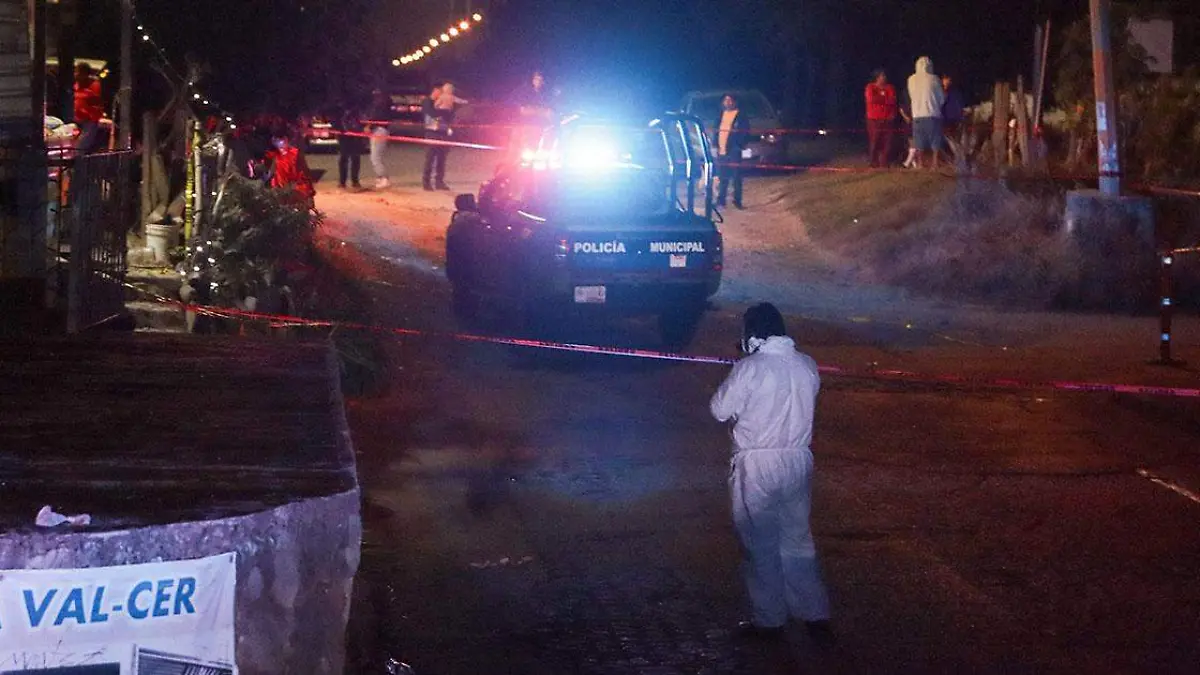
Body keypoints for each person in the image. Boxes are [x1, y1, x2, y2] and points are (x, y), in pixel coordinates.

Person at [710, 303, 833, 643]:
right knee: (797, 538)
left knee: (760, 543)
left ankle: (770, 620)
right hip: (797, 460)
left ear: (752, 334)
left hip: (757, 464)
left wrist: (741, 368)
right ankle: (814, 613)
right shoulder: (807, 365)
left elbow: (719, 410)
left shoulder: (751, 368)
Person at [422, 82, 468, 191]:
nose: (444, 93)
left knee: (442, 159)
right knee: (430, 158)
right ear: (436, 90)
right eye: (441, 91)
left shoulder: (448, 100)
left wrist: (450, 110)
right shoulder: (428, 102)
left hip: (443, 132)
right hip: (432, 132)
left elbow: (451, 114)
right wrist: (445, 111)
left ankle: (439, 182)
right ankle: (426, 182)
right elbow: (433, 113)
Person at [906, 56, 946, 169]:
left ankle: (920, 164)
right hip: (933, 113)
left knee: (919, 141)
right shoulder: (935, 79)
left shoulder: (911, 79)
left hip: (917, 115)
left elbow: (911, 95)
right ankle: (935, 164)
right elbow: (942, 99)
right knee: (935, 141)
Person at [712, 93, 751, 209]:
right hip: (721, 149)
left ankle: (737, 201)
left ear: (734, 102)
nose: (728, 102)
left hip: (734, 150)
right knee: (722, 176)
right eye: (725, 100)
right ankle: (721, 201)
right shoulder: (720, 115)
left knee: (736, 176)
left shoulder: (740, 115)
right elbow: (715, 130)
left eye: (730, 100)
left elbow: (746, 131)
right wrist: (715, 144)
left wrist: (739, 145)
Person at [265, 132, 316, 208]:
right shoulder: (273, 155)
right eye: (276, 140)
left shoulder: (295, 154)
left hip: (295, 188)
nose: (279, 143)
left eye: (282, 139)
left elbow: (305, 172)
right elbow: (270, 173)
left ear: (287, 140)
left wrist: (309, 192)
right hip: (280, 189)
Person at [864, 69, 897, 168]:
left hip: (888, 119)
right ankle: (873, 162)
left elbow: (892, 100)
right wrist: (884, 99)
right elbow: (871, 99)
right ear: (877, 77)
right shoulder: (870, 87)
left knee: (887, 142)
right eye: (882, 75)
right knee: (874, 141)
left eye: (885, 75)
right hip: (874, 119)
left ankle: (884, 162)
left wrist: (879, 99)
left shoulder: (890, 87)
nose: (884, 77)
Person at [73, 63, 105, 155]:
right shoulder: (76, 85)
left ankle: (77, 163)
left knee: (81, 146)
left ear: (85, 74)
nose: (76, 74)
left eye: (78, 72)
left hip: (89, 120)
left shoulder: (94, 86)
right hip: (76, 119)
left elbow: (97, 104)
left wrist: (88, 113)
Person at [334, 103, 365, 190]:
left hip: (353, 135)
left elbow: (360, 121)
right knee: (345, 158)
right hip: (344, 134)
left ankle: (353, 181)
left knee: (354, 158)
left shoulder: (355, 109)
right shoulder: (339, 109)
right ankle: (343, 182)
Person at [366, 88, 391, 189]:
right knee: (376, 156)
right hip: (380, 130)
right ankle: (381, 178)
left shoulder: (379, 105)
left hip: (379, 130)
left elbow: (375, 117)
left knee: (375, 157)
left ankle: (383, 178)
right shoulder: (384, 104)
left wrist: (368, 126)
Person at [940, 74, 966, 152]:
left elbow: (959, 105)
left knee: (955, 140)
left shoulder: (955, 93)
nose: (946, 81)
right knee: (949, 139)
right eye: (945, 79)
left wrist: (960, 116)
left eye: (948, 79)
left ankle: (959, 156)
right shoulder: (940, 92)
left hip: (954, 119)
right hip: (944, 120)